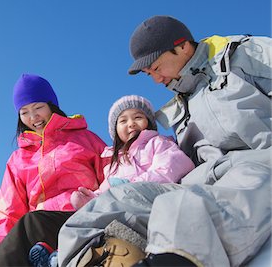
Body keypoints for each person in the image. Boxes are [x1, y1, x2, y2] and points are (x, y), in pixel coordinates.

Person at [56, 15, 271, 267]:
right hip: (202, 179)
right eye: (150, 74)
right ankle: (90, 259)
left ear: (181, 45)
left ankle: (174, 259)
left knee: (181, 206)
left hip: (259, 163)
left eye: (156, 68)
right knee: (112, 202)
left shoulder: (245, 54)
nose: (156, 80)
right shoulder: (182, 102)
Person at [28, 94, 195, 267]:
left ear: (149, 122)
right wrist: (91, 198)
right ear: (115, 130)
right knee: (85, 217)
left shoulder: (158, 143)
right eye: (123, 121)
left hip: (150, 200)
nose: (131, 123)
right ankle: (62, 255)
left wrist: (132, 185)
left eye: (138, 117)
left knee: (97, 218)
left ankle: (58, 259)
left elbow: (172, 167)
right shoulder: (114, 162)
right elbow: (106, 188)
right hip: (123, 204)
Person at [0, 73, 107, 267]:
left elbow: (113, 174)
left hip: (82, 215)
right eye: (24, 111)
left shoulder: (84, 139)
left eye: (38, 107)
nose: (33, 116)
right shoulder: (18, 159)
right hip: (38, 231)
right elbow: (8, 212)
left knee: (33, 222)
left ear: (52, 105)